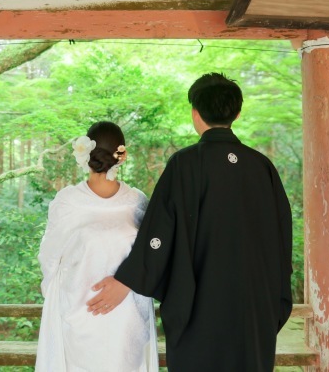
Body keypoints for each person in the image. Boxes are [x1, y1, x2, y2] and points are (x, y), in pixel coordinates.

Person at [86, 73, 293, 371]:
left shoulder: (185, 164)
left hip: (199, 308)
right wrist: (273, 302)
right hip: (253, 309)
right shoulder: (262, 167)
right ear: (237, 112)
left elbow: (159, 234)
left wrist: (128, 279)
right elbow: (281, 239)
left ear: (195, 113)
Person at [35, 121, 159, 372]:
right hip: (80, 316)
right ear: (121, 154)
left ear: (84, 154)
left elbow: (49, 258)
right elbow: (50, 259)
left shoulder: (136, 201)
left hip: (126, 321)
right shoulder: (69, 200)